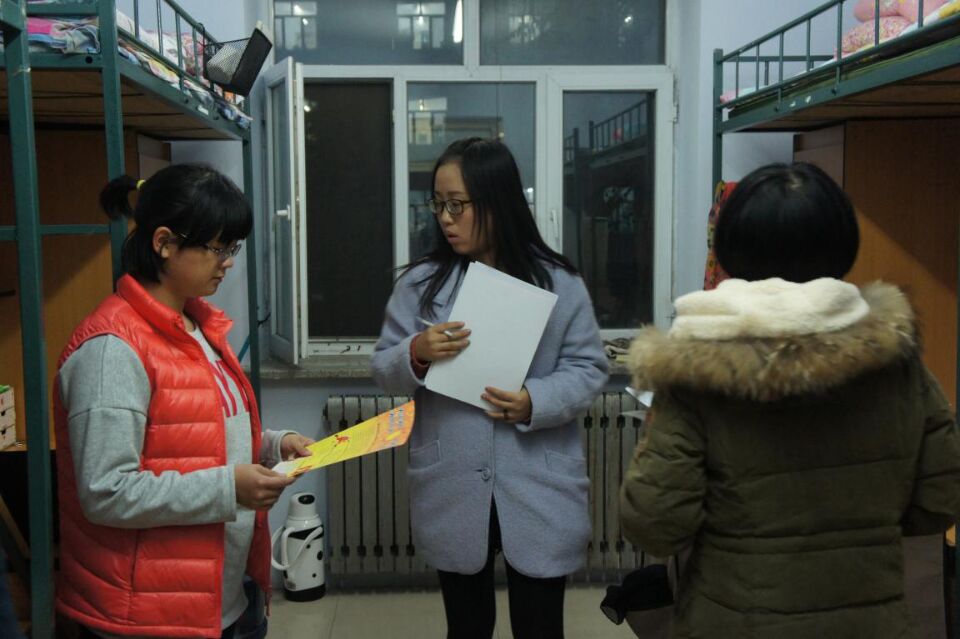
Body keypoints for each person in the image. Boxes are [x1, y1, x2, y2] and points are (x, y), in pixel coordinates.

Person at [620, 162, 960, 638]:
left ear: (730, 248)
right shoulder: (899, 366)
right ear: (843, 244)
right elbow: (940, 500)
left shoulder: (697, 376)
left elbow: (655, 523)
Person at [54, 164, 313, 638]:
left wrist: (273, 445)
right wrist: (229, 489)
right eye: (218, 248)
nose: (228, 262)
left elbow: (198, 434)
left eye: (232, 248)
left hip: (221, 598)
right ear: (164, 243)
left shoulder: (198, 328)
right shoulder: (112, 349)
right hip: (148, 616)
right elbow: (105, 490)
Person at [371, 137, 608, 639]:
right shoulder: (421, 285)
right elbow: (383, 370)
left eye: (457, 204)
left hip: (539, 482)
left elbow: (588, 368)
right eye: (438, 204)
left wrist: (534, 401)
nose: (445, 218)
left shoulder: (559, 283)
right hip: (452, 483)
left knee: (540, 627)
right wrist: (416, 351)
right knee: (467, 627)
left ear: (497, 201)